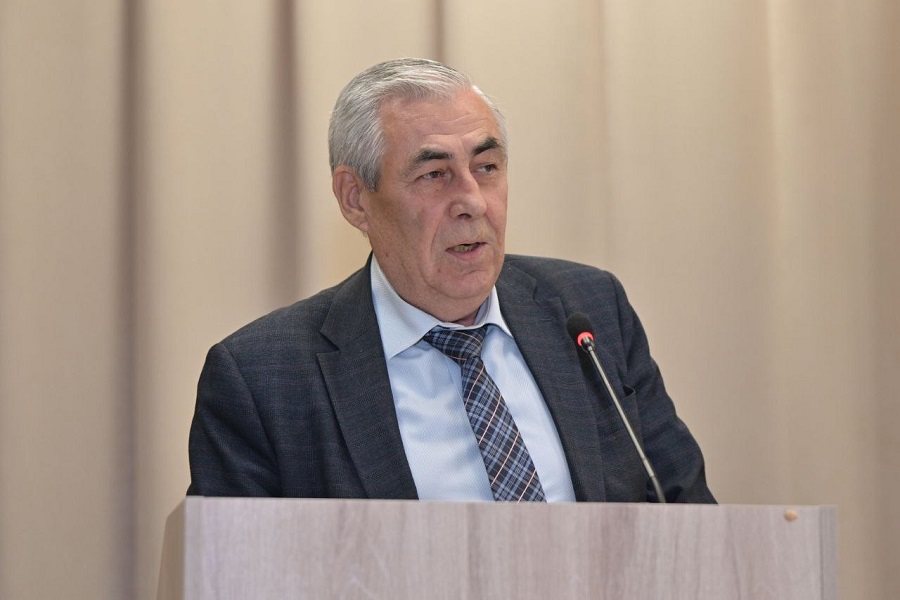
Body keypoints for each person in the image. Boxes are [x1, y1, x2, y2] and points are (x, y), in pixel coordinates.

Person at [187, 58, 715, 503]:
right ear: (355, 198)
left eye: (486, 167)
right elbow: (235, 572)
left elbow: (688, 517)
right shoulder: (263, 379)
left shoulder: (590, 312)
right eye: (434, 175)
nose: (472, 202)